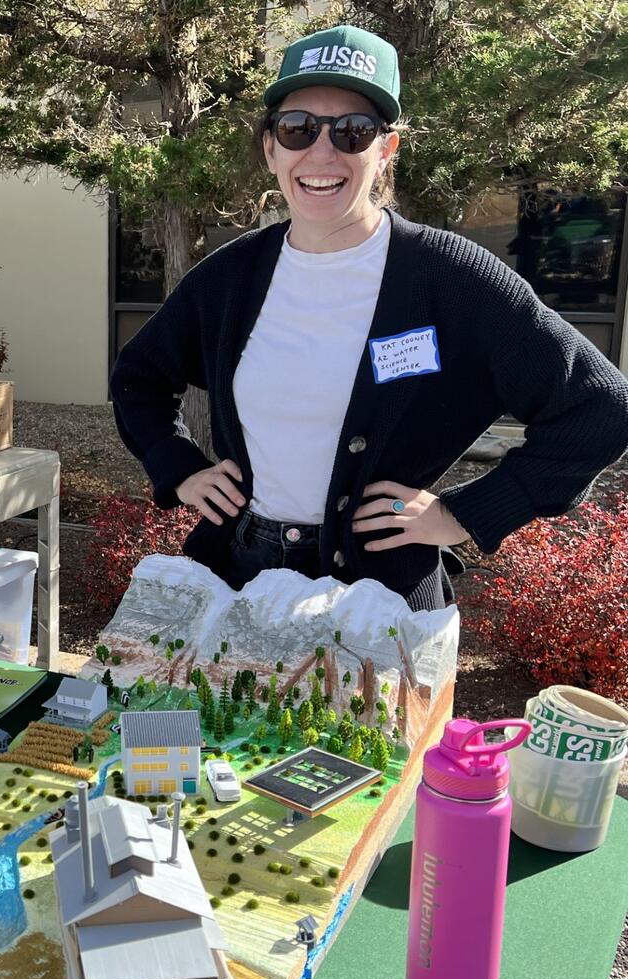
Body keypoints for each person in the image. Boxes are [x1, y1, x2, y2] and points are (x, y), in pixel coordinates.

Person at [110, 24, 628, 612]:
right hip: (240, 572)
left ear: (386, 151)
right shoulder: (230, 277)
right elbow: (138, 377)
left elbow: (602, 406)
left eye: (352, 132)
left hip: (381, 594)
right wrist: (179, 469)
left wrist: (463, 514)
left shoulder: (451, 278)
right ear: (271, 148)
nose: (322, 152)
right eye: (298, 128)